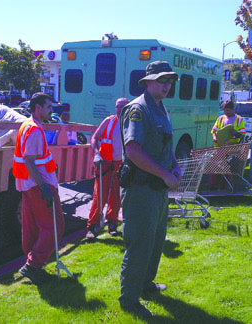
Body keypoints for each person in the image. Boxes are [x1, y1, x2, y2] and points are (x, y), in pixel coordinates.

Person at [118, 61, 180, 317]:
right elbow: (133, 150)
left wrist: (174, 167)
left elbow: (167, 146)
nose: (167, 84)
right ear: (148, 81)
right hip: (141, 190)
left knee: (156, 241)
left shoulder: (162, 109)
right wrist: (165, 174)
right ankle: (129, 300)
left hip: (158, 190)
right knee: (140, 244)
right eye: (162, 79)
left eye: (170, 80)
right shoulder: (137, 109)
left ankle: (145, 284)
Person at [13, 92, 65, 285]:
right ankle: (32, 266)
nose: (51, 110)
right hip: (37, 185)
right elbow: (29, 160)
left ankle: (33, 263)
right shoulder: (34, 129)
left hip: (28, 184)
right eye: (49, 107)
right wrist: (44, 186)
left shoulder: (27, 125)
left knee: (32, 226)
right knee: (54, 226)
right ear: (38, 108)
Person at [85, 97, 130, 242]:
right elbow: (95, 138)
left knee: (117, 196)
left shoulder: (131, 124)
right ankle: (92, 227)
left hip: (120, 164)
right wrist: (96, 154)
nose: (119, 109)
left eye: (122, 106)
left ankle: (112, 224)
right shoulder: (109, 121)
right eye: (117, 106)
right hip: (104, 163)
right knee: (100, 195)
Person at [209, 99, 246, 190]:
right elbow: (214, 130)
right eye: (225, 110)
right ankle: (213, 186)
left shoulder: (239, 120)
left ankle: (225, 187)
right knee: (215, 166)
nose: (226, 112)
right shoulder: (220, 118)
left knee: (229, 169)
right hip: (219, 148)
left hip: (232, 149)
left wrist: (234, 133)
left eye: (228, 110)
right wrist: (214, 137)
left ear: (233, 109)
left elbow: (242, 135)